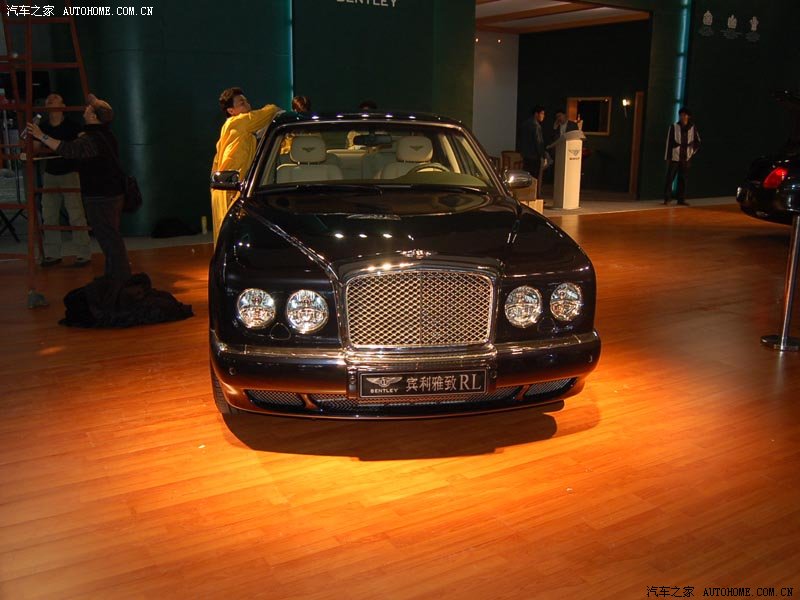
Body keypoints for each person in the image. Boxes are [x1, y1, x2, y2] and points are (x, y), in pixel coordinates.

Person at [27, 94, 131, 282]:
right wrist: (95, 101)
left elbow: (68, 150)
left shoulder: (91, 138)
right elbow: (104, 112)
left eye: (89, 108)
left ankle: (119, 279)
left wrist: (41, 135)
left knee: (108, 238)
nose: (85, 108)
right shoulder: (103, 133)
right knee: (110, 237)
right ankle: (117, 277)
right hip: (109, 192)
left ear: (93, 116)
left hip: (101, 194)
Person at [211, 87, 281, 242]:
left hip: (226, 185)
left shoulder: (230, 125)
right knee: (231, 236)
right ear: (231, 110)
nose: (247, 104)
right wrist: (275, 109)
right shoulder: (241, 122)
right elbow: (269, 112)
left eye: (246, 101)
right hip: (231, 186)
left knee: (226, 236)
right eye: (241, 103)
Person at [35, 93, 92, 267]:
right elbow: (34, 149)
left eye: (56, 98)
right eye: (49, 99)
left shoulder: (73, 126)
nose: (51, 99)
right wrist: (31, 137)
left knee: (76, 214)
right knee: (49, 215)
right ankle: (53, 254)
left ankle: (83, 253)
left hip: (70, 173)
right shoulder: (42, 127)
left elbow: (84, 143)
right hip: (50, 174)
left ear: (63, 105)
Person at [664, 107, 701, 205]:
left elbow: (698, 141)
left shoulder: (692, 127)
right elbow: (669, 142)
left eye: (684, 115)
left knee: (683, 179)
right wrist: (668, 157)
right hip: (675, 157)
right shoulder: (674, 127)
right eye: (681, 115)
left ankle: (681, 199)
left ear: (688, 116)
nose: (682, 117)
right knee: (670, 178)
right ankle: (667, 198)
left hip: (686, 158)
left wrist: (692, 152)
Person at [517, 106, 546, 195]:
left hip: (526, 155)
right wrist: (543, 155)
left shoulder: (525, 124)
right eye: (542, 113)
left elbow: (520, 140)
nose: (543, 116)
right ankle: (534, 196)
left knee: (527, 177)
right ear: (536, 114)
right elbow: (539, 142)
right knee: (535, 178)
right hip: (534, 156)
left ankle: (526, 195)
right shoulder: (536, 126)